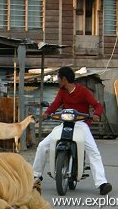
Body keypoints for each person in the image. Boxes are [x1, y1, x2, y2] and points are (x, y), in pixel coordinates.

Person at [32, 66, 113, 195]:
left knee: (93, 151)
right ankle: (36, 176)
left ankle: (102, 183)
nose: (57, 80)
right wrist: (46, 113)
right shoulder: (62, 92)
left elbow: (97, 105)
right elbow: (55, 105)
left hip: (81, 124)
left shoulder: (83, 91)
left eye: (58, 78)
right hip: (65, 124)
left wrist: (96, 114)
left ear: (64, 79)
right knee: (42, 145)